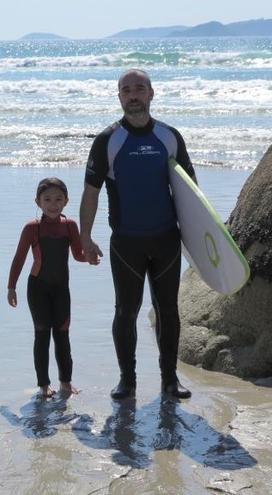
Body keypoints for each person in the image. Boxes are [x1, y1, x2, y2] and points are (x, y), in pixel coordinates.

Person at [78, 69, 196, 400]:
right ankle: (127, 380)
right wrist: (84, 237)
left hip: (166, 240)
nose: (133, 95)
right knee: (125, 312)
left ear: (151, 93)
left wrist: (200, 242)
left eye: (139, 88)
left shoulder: (169, 136)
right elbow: (91, 191)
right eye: (126, 90)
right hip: (126, 242)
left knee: (168, 310)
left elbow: (191, 193)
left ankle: (169, 379)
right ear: (119, 97)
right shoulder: (108, 140)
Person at [7, 178, 85, 398]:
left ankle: (66, 383)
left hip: (62, 289)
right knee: (42, 335)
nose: (53, 204)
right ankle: (43, 386)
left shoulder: (70, 226)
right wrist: (11, 287)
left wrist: (89, 256)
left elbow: (78, 255)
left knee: (63, 335)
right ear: (38, 202)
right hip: (38, 288)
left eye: (58, 199)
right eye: (48, 199)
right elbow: (19, 258)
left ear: (66, 201)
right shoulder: (33, 228)